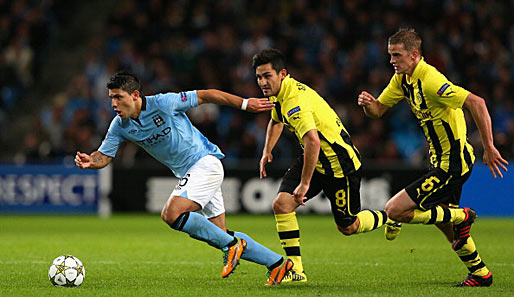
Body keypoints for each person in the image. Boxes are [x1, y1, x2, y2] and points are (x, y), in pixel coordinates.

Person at [75, 71, 293, 286]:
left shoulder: (163, 103)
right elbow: (104, 156)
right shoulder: (120, 126)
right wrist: (90, 161)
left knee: (172, 213)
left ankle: (233, 245)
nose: (113, 103)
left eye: (118, 97)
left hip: (204, 163)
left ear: (135, 95)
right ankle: (276, 264)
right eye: (111, 98)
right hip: (193, 172)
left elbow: (206, 95)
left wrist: (245, 104)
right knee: (220, 235)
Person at [358, 28, 509, 287]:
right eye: (390, 55)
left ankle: (463, 216)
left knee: (395, 210)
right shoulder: (402, 80)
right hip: (438, 162)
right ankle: (480, 273)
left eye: (397, 55)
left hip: (453, 164)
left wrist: (489, 147)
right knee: (445, 224)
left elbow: (477, 103)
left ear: (415, 55)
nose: (392, 60)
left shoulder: (431, 80)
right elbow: (379, 110)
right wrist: (368, 105)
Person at [254, 49, 389, 283]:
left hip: (338, 164)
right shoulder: (280, 93)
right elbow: (276, 119)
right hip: (314, 158)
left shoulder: (296, 101)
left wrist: (305, 184)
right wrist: (267, 150)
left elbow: (313, 140)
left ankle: (390, 216)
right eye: (259, 77)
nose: (262, 82)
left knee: (348, 226)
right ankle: (296, 270)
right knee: (282, 205)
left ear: (282, 74)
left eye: (267, 76)